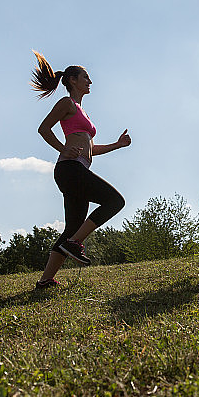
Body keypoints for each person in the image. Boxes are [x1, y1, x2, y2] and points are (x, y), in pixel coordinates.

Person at [30, 51, 129, 290]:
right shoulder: (66, 103)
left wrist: (117, 145)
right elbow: (43, 129)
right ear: (72, 80)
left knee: (72, 227)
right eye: (86, 77)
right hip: (69, 169)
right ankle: (75, 242)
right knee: (115, 201)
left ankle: (46, 280)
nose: (90, 81)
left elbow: (90, 149)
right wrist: (64, 149)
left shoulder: (81, 111)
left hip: (77, 168)